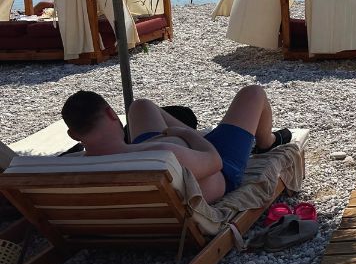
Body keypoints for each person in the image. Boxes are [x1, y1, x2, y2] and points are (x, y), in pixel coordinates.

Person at [61, 85, 291, 203]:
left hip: (149, 153)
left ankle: (196, 134)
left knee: (141, 105)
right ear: (112, 115)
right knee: (254, 93)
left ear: (73, 135)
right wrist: (185, 135)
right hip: (220, 168)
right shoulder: (163, 154)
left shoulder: (67, 168)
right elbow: (215, 161)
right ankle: (267, 142)